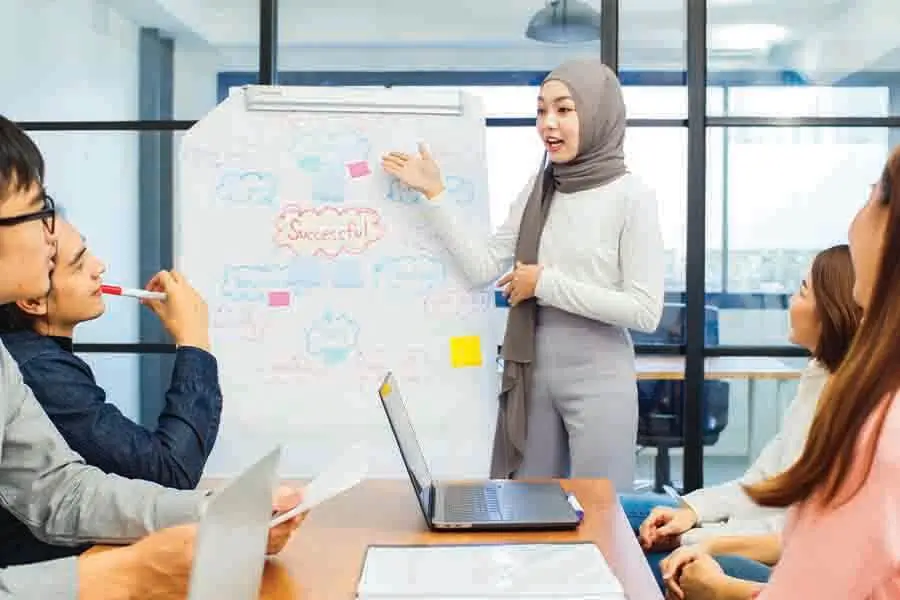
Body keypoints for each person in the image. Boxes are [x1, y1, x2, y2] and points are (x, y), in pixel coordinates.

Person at [0, 115, 301, 597]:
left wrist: (214, 512)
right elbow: (167, 470)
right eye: (38, 211)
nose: (49, 236)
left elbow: (60, 491)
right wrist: (122, 576)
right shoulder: (35, 365)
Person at [381, 57, 665, 488]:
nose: (548, 123)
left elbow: (645, 311)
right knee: (527, 505)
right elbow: (481, 267)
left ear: (598, 114)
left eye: (564, 109)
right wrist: (434, 192)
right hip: (533, 369)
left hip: (601, 377)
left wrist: (544, 284)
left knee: (601, 509)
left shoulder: (632, 197)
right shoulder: (539, 189)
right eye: (541, 110)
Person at [667, 147, 900, 599]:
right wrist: (695, 518)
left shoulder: (876, 419)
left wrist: (714, 572)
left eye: (873, 194)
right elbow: (771, 491)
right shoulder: (839, 388)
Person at [629, 244, 861, 588]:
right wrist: (692, 512)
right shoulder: (818, 377)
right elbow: (761, 481)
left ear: (832, 310)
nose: (790, 301)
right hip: (742, 532)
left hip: (782, 565)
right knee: (617, 511)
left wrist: (696, 538)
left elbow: (798, 536)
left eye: (802, 290)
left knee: (631, 555)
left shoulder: (857, 407)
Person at [0, 217, 223, 566]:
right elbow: (171, 472)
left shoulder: (40, 358)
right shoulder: (39, 369)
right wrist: (194, 340)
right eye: (78, 264)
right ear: (32, 300)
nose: (99, 266)